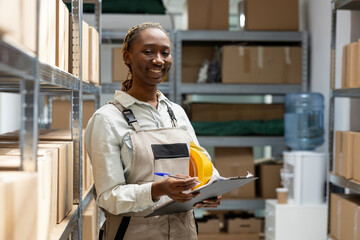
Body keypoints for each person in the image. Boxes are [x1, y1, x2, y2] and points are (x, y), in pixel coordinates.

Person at [85, 22, 221, 240]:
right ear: (127, 57)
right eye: (148, 52)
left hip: (183, 232)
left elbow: (201, 163)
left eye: (165, 53)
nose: (158, 60)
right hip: (132, 233)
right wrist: (158, 189)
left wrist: (210, 188)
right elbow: (108, 197)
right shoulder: (107, 120)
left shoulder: (176, 113)